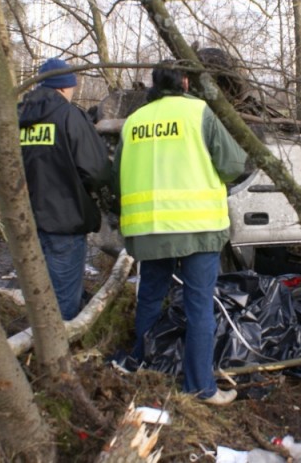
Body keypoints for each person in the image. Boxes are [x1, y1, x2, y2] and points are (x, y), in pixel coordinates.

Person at [115, 60, 247, 406]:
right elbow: (234, 165)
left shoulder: (135, 121)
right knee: (198, 306)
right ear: (185, 82)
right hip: (197, 227)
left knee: (149, 298)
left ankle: (144, 367)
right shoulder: (199, 112)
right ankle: (200, 387)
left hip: (149, 229)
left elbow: (117, 175)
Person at [19, 58, 111, 320]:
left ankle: (40, 336)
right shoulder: (69, 115)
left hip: (26, 220)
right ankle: (64, 342)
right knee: (64, 298)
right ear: (62, 87)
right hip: (65, 219)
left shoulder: (17, 116)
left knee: (39, 291)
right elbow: (96, 170)